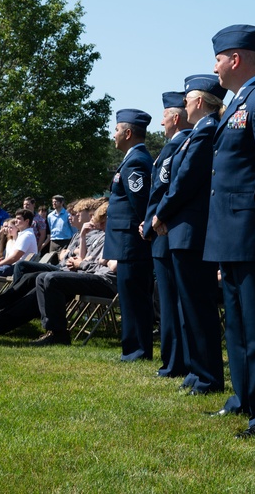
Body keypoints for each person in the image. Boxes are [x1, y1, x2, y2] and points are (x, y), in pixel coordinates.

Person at [203, 24, 255, 437]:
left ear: (235, 59)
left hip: (253, 233)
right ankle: (244, 398)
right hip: (230, 233)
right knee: (236, 324)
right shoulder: (237, 103)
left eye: (218, 58)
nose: (215, 67)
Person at [153, 77, 225, 393]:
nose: (183, 106)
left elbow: (184, 182)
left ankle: (209, 375)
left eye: (187, 100)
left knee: (199, 307)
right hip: (184, 230)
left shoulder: (206, 132)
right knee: (188, 307)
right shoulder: (195, 134)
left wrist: (161, 213)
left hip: (192, 231)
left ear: (198, 102)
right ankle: (198, 371)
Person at [0, 202, 114, 343]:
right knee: (39, 277)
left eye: (102, 221)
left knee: (49, 279)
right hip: (83, 271)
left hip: (103, 280)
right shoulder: (101, 235)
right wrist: (83, 259)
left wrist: (82, 262)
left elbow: (106, 265)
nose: (98, 224)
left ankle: (57, 333)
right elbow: (85, 258)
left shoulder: (113, 237)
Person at [142, 91, 192, 378]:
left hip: (167, 230)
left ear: (174, 118)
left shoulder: (180, 145)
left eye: (163, 117)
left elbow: (166, 190)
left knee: (171, 302)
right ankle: (172, 359)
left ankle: (176, 361)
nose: (161, 123)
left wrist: (152, 221)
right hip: (161, 230)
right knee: (166, 301)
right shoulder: (170, 147)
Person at [104, 109, 156, 358]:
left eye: (116, 130)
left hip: (132, 242)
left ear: (127, 133)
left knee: (134, 298)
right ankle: (133, 348)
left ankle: (137, 350)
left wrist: (146, 229)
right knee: (130, 297)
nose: (113, 135)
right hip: (127, 242)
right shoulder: (132, 159)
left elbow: (141, 203)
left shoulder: (136, 161)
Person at [0, 209, 38, 296]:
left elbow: (14, 258)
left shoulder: (27, 236)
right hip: (16, 267)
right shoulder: (23, 234)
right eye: (16, 218)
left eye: (19, 218)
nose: (16, 220)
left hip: (19, 269)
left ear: (27, 221)